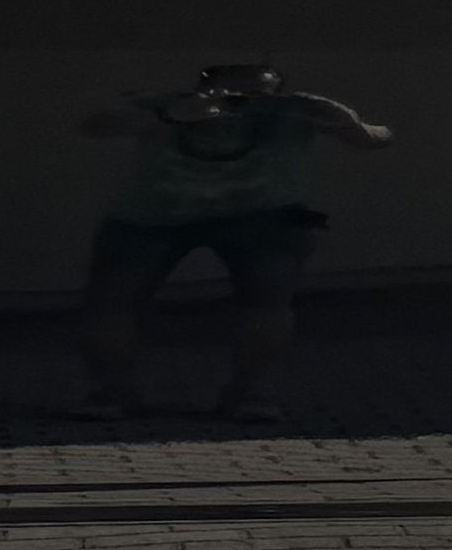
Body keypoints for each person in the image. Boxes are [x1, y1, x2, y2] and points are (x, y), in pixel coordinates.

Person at [75, 61, 392, 419]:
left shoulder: (291, 112)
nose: (241, 103)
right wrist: (173, 115)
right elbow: (95, 126)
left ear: (276, 93)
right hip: (153, 216)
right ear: (201, 89)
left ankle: (252, 395)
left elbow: (375, 139)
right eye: (228, 94)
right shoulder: (166, 104)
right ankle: (111, 393)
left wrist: (344, 120)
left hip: (263, 216)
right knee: (113, 302)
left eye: (257, 95)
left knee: (267, 303)